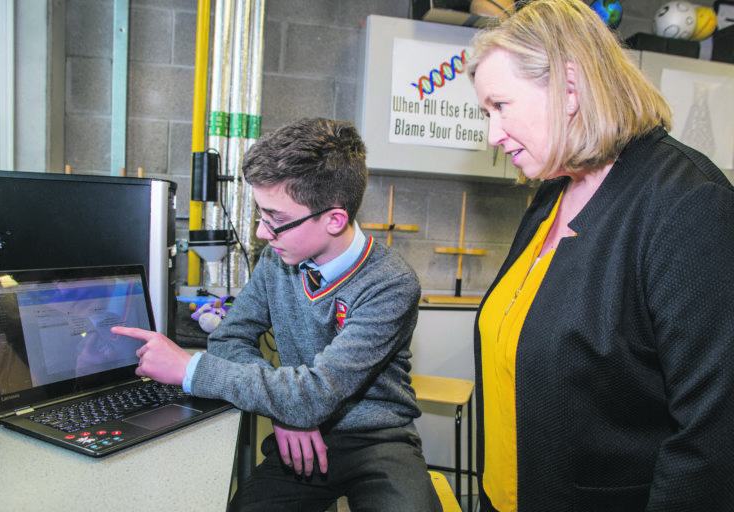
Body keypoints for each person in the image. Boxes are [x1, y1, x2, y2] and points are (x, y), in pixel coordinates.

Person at [466, 1, 734, 511]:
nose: (492, 135)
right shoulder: (551, 192)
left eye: (500, 106)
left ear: (569, 88)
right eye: (485, 113)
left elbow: (713, 435)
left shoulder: (687, 202)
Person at [112, 117, 442, 512]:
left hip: (377, 436)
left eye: (278, 220)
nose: (262, 234)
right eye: (260, 215)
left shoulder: (390, 284)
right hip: (297, 429)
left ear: (334, 219)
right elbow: (228, 338)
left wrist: (190, 369)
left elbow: (316, 392)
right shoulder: (277, 262)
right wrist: (286, 411)